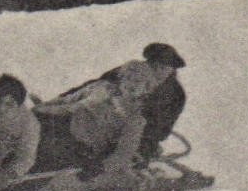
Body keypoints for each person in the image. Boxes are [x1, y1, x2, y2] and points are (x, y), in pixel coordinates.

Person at [31, 49, 177, 180]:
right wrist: (42, 107)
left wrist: (101, 168)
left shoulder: (134, 119)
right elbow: (66, 101)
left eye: (138, 82)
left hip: (80, 146)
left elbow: (123, 154)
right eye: (128, 78)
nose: (131, 84)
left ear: (146, 89)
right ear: (121, 79)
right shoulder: (100, 89)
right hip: (59, 124)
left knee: (41, 152)